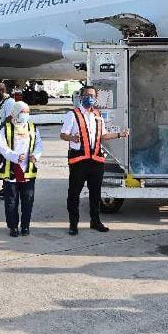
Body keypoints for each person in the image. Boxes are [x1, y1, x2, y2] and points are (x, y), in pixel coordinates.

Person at [60, 85, 129, 235]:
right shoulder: (73, 114)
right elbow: (63, 134)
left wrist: (120, 135)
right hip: (78, 160)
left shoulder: (98, 115)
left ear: (95, 98)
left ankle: (95, 221)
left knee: (95, 194)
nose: (89, 98)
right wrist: (72, 137)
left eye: (92, 96)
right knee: (74, 193)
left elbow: (103, 136)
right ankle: (73, 224)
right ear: (81, 97)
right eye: (87, 95)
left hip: (96, 160)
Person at [0, 102, 41, 236]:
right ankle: (13, 226)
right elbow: (2, 147)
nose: (26, 115)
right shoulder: (6, 128)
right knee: (11, 202)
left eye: (28, 112)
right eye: (23, 112)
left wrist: (36, 155)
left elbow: (39, 144)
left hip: (28, 171)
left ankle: (25, 226)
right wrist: (15, 157)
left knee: (28, 201)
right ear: (16, 112)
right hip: (11, 170)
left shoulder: (32, 127)